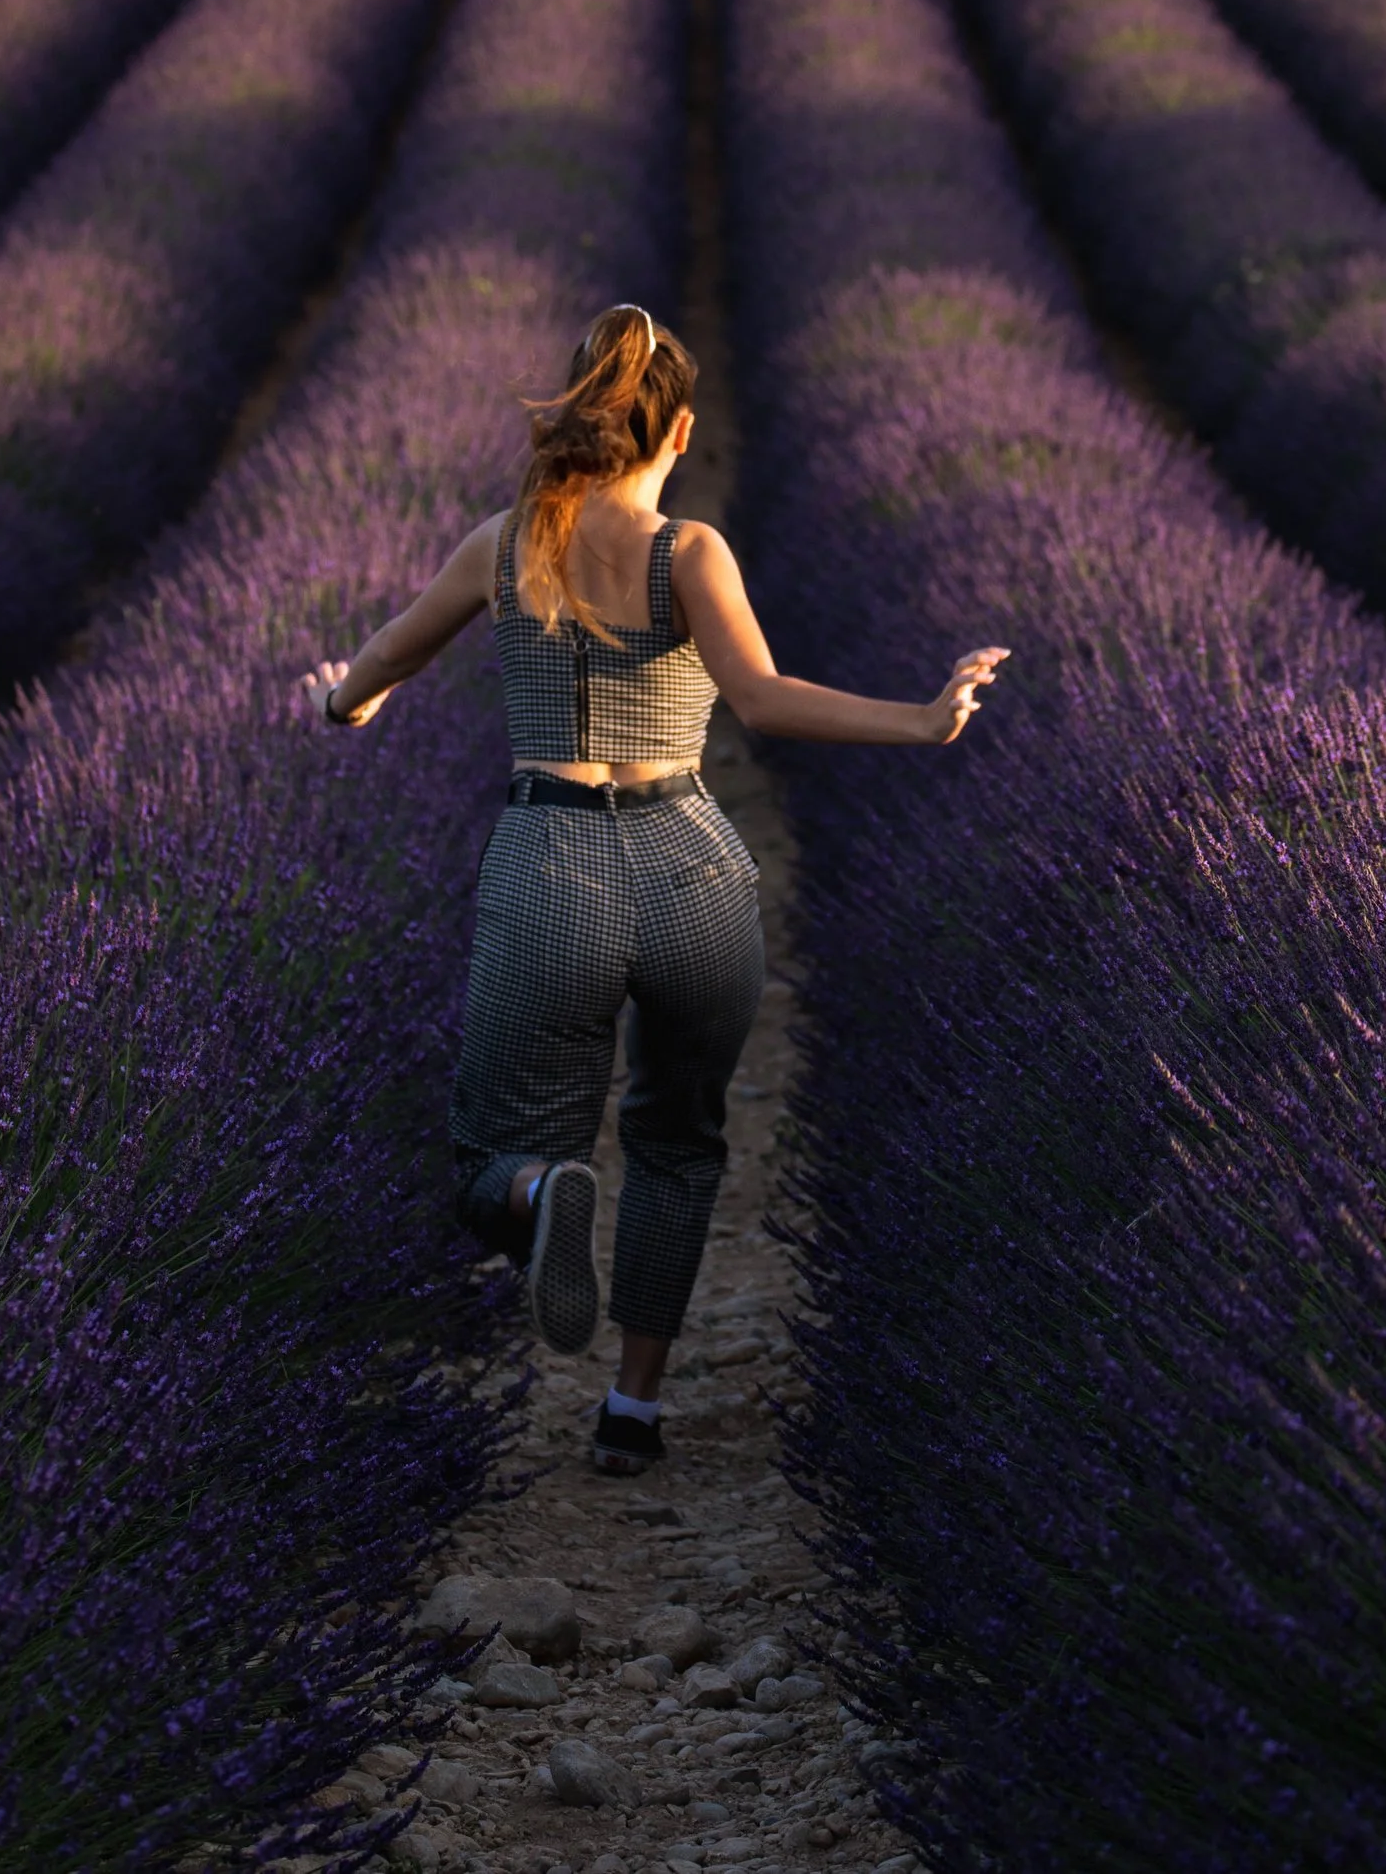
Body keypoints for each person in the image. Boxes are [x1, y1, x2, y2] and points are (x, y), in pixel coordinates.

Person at [300, 302, 1007, 1477]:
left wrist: (341, 697)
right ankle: (632, 1408)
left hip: (552, 863)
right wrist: (925, 718)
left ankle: (541, 1192)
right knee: (679, 1143)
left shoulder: (501, 543)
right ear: (677, 428)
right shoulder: (693, 553)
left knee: (488, 1149)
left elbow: (375, 671)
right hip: (691, 863)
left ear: (575, 417)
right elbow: (767, 699)